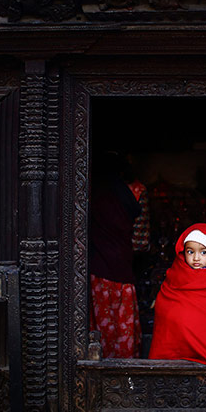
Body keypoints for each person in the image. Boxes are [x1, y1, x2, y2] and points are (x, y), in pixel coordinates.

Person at [148, 223, 206, 364]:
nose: (196, 258)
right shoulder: (176, 275)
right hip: (176, 349)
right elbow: (165, 307)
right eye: (190, 252)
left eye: (204, 252)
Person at [89, 152, 143, 358]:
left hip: (98, 269)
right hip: (123, 268)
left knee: (102, 326)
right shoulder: (136, 192)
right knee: (123, 324)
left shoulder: (90, 192)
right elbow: (142, 243)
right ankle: (126, 367)